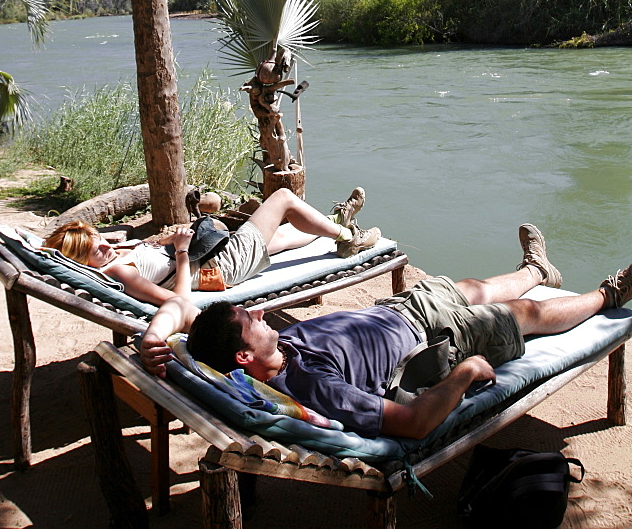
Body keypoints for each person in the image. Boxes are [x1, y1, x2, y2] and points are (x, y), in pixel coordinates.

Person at [139, 223, 632, 440]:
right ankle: (609, 295)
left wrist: (153, 343)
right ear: (245, 358)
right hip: (435, 343)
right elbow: (411, 423)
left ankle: (536, 269)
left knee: (470, 286)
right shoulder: (315, 389)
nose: (262, 315)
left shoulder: (247, 353)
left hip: (400, 310)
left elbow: (181, 315)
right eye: (252, 322)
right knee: (522, 314)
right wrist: (462, 375)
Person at [44, 186, 380, 307]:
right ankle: (348, 238)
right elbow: (177, 301)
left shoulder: (114, 261)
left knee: (277, 237)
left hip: (212, 260)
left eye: (98, 237)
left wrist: (165, 240)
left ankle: (332, 224)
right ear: (82, 261)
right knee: (282, 199)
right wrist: (179, 249)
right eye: (92, 249)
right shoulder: (118, 271)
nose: (103, 245)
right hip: (221, 267)